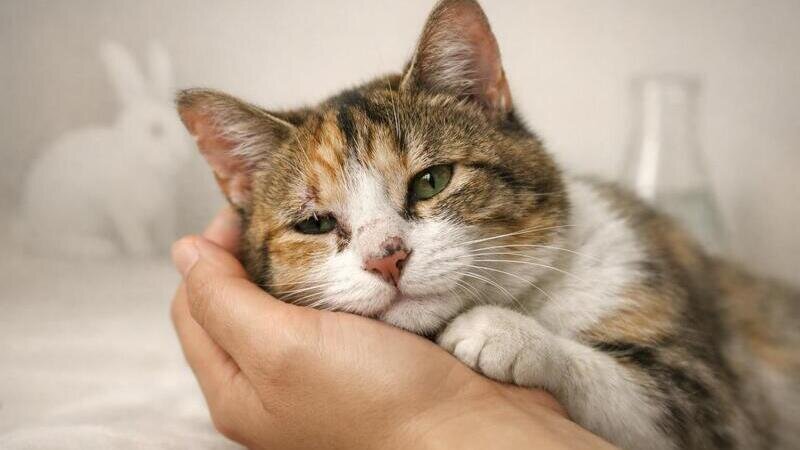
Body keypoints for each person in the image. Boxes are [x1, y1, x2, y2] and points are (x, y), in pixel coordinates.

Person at [170, 207, 616, 449]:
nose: (384, 255)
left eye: (430, 182)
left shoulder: (595, 258)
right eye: (315, 223)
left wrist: (558, 367)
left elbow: (663, 413)